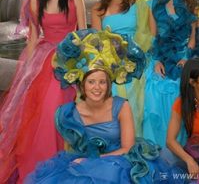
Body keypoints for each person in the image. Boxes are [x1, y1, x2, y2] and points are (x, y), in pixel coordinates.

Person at [26, 29, 181, 183]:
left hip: (120, 163)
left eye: (102, 82)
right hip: (86, 166)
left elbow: (127, 148)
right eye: (91, 82)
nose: (97, 87)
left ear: (108, 85)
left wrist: (95, 161)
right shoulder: (69, 114)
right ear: (82, 85)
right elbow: (70, 151)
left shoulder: (121, 106)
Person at [0, 0, 87, 182]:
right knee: (47, 109)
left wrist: (84, 66)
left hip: (71, 57)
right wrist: (25, 72)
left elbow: (82, 34)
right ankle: (44, 163)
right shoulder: (34, 1)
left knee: (68, 106)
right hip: (45, 60)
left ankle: (69, 161)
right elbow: (33, 38)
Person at [84, 0, 152, 137]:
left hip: (138, 59)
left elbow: (149, 35)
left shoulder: (138, 5)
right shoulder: (98, 10)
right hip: (111, 63)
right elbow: (96, 44)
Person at [143, 0, 199, 147]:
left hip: (183, 58)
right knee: (154, 91)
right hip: (161, 58)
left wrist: (185, 59)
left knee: (182, 92)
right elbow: (153, 36)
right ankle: (159, 148)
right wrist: (156, 61)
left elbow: (194, 37)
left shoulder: (193, 1)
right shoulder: (154, 2)